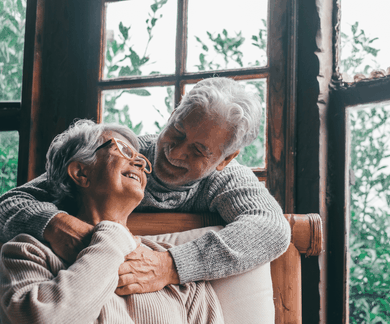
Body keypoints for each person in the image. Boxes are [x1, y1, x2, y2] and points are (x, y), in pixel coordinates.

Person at [0, 77, 291, 295]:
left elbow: (272, 228)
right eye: (176, 132)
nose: (175, 153)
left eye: (199, 151)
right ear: (173, 114)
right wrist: (56, 223)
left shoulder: (227, 179)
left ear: (226, 159)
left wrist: (169, 266)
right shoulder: (121, 155)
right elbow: (9, 203)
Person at [0, 120, 224, 323]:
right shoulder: (27, 253)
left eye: (142, 160)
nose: (139, 162)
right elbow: (46, 319)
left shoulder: (176, 276)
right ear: (80, 172)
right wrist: (114, 234)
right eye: (124, 150)